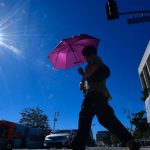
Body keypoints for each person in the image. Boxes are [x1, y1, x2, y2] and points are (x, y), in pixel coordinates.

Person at [71, 45, 140, 150]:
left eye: (85, 56)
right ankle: (130, 141)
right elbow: (86, 83)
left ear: (88, 55)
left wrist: (83, 74)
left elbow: (91, 71)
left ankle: (78, 145)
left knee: (84, 118)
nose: (84, 59)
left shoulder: (95, 60)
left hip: (94, 96)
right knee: (107, 120)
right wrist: (82, 83)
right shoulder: (90, 65)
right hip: (99, 96)